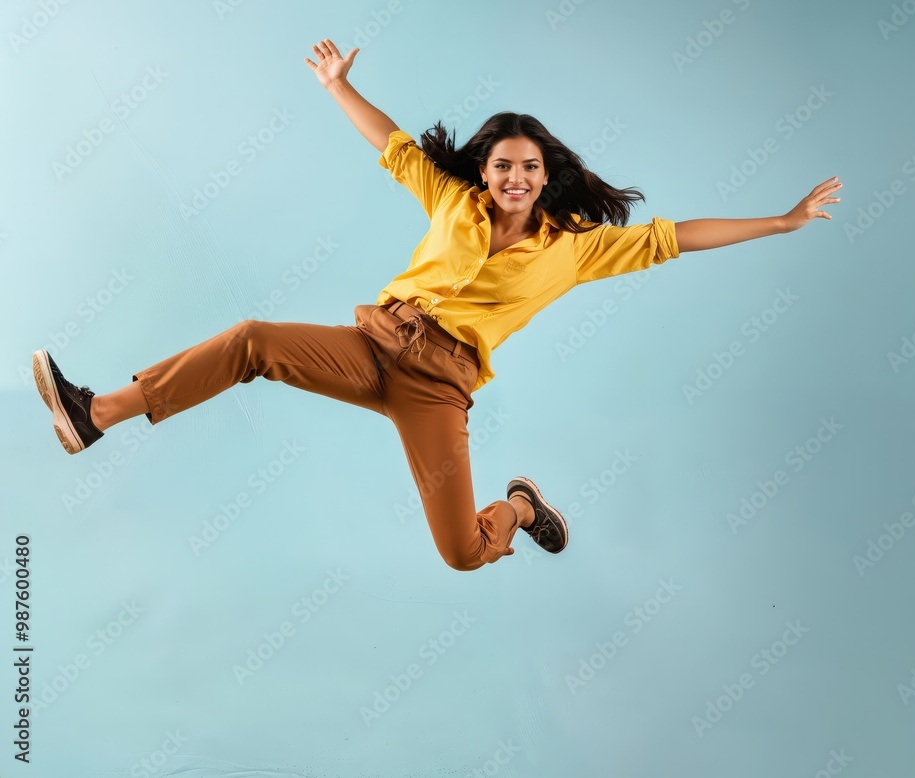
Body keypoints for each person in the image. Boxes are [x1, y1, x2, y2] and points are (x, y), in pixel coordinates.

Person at [32, 38, 842, 572]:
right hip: (375, 343)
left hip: (438, 388)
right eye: (501, 165)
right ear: (485, 169)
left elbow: (678, 236)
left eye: (528, 166)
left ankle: (520, 507)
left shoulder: (579, 247)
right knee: (251, 339)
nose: (513, 177)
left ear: (546, 171)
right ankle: (97, 412)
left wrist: (782, 219)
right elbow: (390, 142)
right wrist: (341, 86)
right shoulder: (453, 198)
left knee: (459, 554)